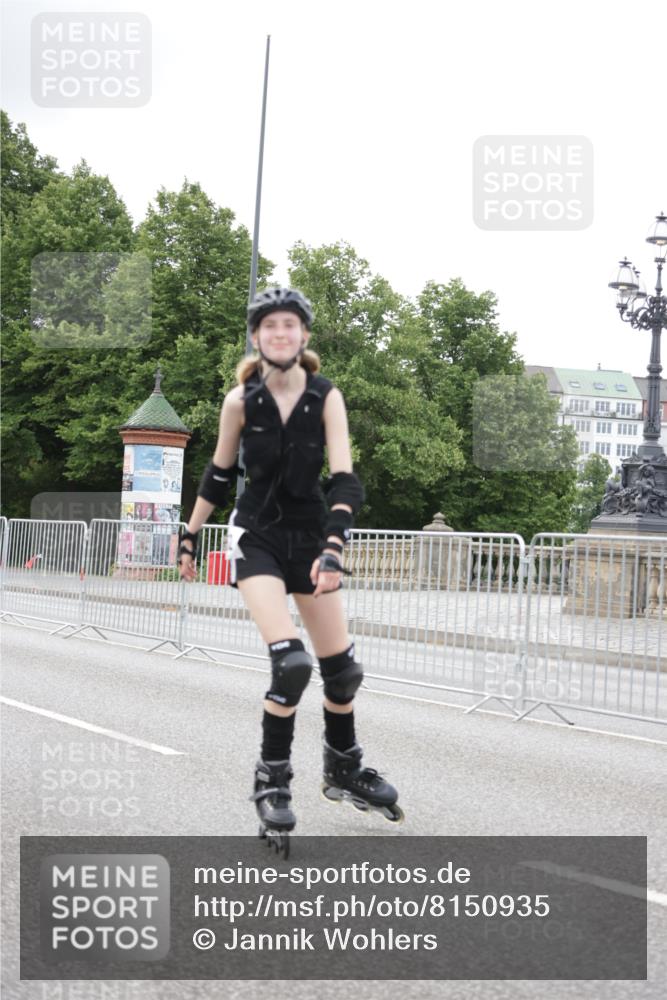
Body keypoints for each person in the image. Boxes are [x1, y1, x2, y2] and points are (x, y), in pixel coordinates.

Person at [177, 287, 401, 850]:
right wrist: (190, 532)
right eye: (269, 325)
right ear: (256, 336)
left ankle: (343, 766)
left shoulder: (326, 396)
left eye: (290, 325)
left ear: (304, 336)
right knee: (292, 664)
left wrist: (334, 546)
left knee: (342, 672)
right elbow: (219, 474)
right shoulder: (239, 402)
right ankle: (272, 782)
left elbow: (346, 479)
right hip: (256, 536)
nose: (280, 333)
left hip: (311, 536)